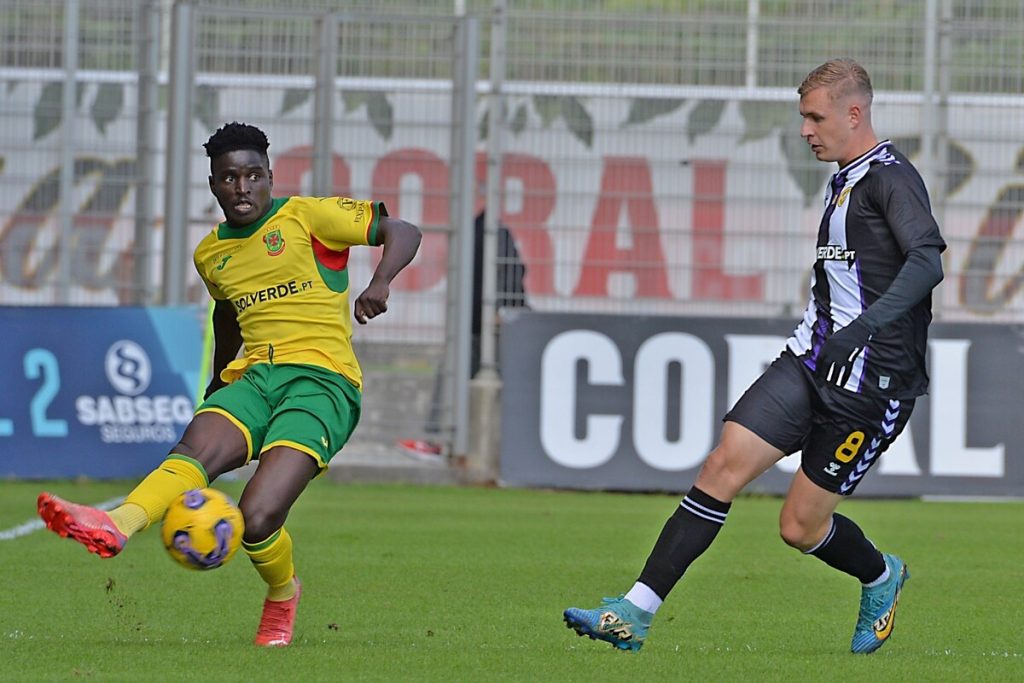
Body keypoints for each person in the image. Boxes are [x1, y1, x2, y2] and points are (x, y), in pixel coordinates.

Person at [563, 58, 946, 654]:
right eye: (803, 118)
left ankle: (880, 575)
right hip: (810, 362)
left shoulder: (891, 179)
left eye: (815, 118)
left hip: (871, 387)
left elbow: (927, 261)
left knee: (799, 527)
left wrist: (864, 329)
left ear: (854, 113)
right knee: (721, 466)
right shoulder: (844, 177)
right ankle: (633, 613)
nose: (806, 131)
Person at [36, 122, 421, 647]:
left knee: (257, 517)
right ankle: (116, 524)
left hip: (322, 380)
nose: (242, 188)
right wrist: (218, 381)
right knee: (195, 448)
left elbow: (404, 231)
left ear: (270, 177)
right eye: (229, 178)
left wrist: (380, 282)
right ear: (213, 184)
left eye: (253, 176)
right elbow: (227, 314)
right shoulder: (210, 254)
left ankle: (282, 594)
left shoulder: (309, 217)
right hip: (255, 377)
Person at [397, 210, 528, 462]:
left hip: (488, 329)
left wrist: (502, 308)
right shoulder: (480, 229)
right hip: (480, 327)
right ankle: (439, 440)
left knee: (454, 372)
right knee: (457, 373)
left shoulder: (489, 231)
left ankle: (436, 440)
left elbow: (513, 271)